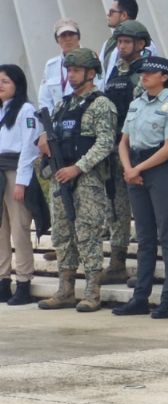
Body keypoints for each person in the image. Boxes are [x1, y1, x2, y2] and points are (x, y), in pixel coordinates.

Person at [36, 48, 116, 311]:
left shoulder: (101, 104)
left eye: (76, 70)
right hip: (61, 178)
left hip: (87, 179)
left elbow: (105, 142)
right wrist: (45, 145)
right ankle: (65, 290)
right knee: (62, 235)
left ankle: (92, 291)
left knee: (88, 234)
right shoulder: (62, 105)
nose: (71, 75)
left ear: (91, 73)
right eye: (69, 70)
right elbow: (55, 138)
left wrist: (78, 168)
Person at [111, 57, 168, 319]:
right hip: (135, 167)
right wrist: (129, 168)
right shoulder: (136, 103)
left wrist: (137, 170)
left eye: (150, 72)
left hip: (159, 169)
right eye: (142, 72)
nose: (144, 76)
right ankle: (140, 296)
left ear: (164, 76)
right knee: (144, 238)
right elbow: (123, 142)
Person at [99, 20, 151, 287]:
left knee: (143, 209)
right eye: (119, 42)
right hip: (113, 147)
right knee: (116, 208)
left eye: (127, 42)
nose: (121, 47)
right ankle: (117, 262)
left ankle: (146, 265)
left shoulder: (146, 72)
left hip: (136, 148)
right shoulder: (116, 72)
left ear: (141, 44)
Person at [0, 64, 41, 305]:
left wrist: (22, 182)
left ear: (18, 84)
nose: (0, 85)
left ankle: (23, 282)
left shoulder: (26, 110)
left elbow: (30, 147)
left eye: (5, 81)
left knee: (19, 228)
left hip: (16, 171)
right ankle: (3, 280)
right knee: (1, 229)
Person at [99, 0, 156, 73]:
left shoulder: (144, 43)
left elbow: (142, 71)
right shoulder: (108, 43)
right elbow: (101, 76)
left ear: (123, 15)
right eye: (120, 41)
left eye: (112, 12)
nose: (108, 14)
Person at [39, 19, 82, 119]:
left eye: (71, 34)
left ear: (78, 37)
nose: (67, 39)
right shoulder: (51, 65)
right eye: (63, 35)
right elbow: (44, 100)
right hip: (57, 124)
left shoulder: (91, 59)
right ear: (57, 39)